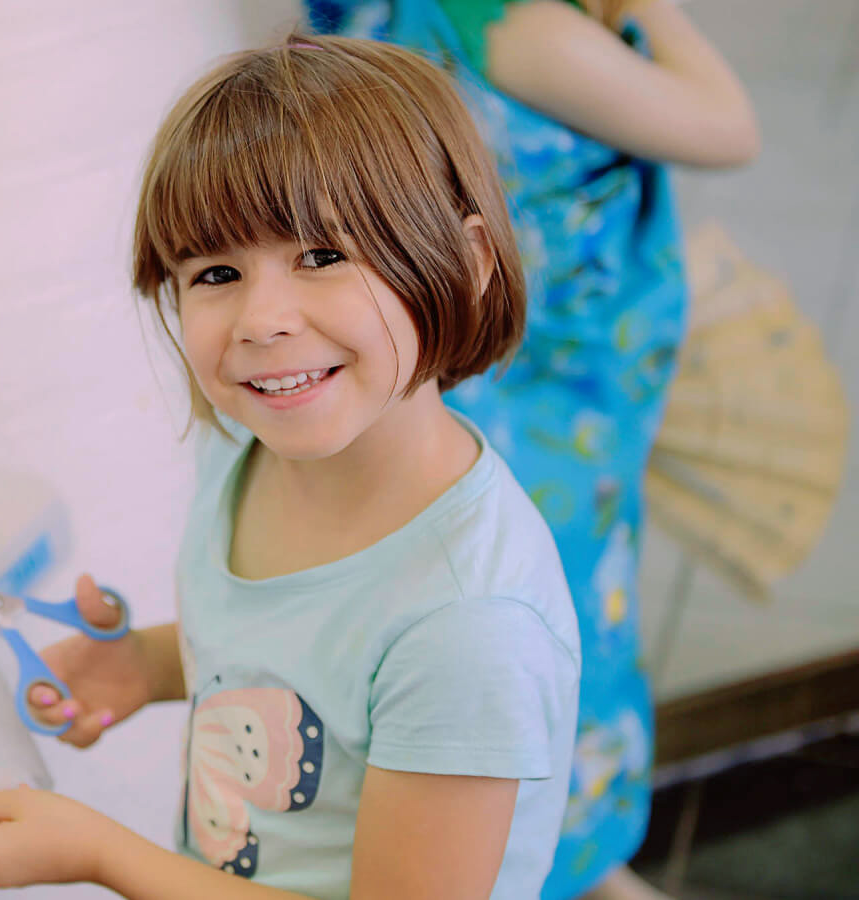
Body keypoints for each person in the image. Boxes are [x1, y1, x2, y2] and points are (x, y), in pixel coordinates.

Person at [0, 34, 581, 898]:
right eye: (216, 271)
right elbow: (291, 658)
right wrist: (150, 665)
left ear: (464, 263)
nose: (262, 317)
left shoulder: (467, 625)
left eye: (321, 256)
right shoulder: (244, 453)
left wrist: (102, 854)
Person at [299, 2, 759, 897]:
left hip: (462, 389)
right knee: (557, 627)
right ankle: (558, 862)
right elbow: (728, 126)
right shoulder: (515, 30)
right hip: (542, 408)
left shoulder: (381, 19)